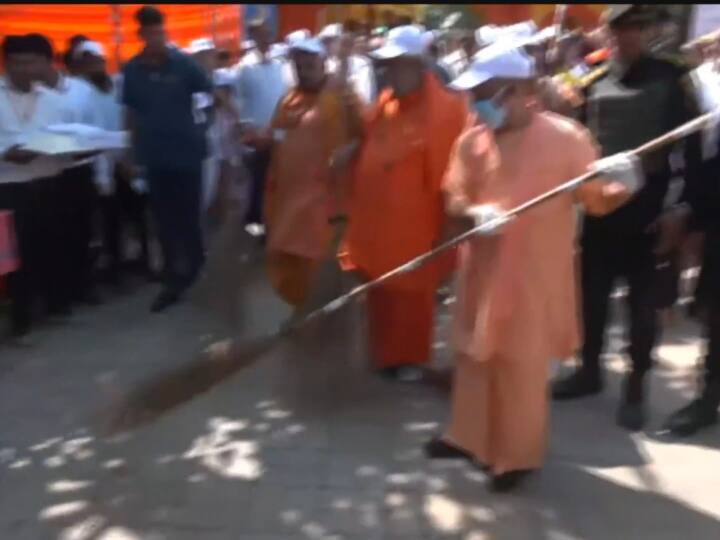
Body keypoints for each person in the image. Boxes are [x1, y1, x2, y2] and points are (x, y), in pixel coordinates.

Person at [425, 43, 639, 492]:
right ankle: (467, 436)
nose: (477, 103)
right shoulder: (472, 139)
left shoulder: (566, 139)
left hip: (533, 278)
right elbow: (454, 197)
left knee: (520, 367)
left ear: (518, 90)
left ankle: (516, 457)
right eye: (475, 94)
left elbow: (596, 200)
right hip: (481, 271)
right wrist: (475, 214)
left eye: (485, 92)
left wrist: (623, 181)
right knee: (472, 356)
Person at [551, 5, 704, 432]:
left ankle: (635, 386)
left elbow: (689, 152)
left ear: (647, 31)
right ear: (605, 34)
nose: (625, 38)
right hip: (601, 211)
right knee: (591, 299)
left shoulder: (672, 80)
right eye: (617, 30)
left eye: (635, 29)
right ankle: (588, 371)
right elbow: (575, 144)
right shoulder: (594, 83)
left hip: (651, 213)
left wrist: (681, 210)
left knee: (642, 308)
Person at [338, 26, 468, 381]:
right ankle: (385, 354)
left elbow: (449, 176)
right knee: (381, 289)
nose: (388, 72)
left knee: (410, 294)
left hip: (416, 224)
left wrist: (447, 230)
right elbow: (367, 129)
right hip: (378, 221)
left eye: (395, 65)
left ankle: (409, 358)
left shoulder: (445, 110)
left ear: (416, 63)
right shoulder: (387, 100)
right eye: (387, 65)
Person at [264, 36, 362, 321]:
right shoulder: (289, 100)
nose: (303, 69)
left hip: (328, 199)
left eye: (309, 63)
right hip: (290, 201)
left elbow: (367, 133)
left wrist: (351, 149)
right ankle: (305, 310)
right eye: (298, 64)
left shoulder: (342, 94)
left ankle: (326, 317)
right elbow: (277, 136)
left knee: (323, 259)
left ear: (321, 63)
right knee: (292, 258)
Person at [121, 5, 212, 312]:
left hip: (187, 154)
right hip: (154, 157)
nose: (157, 37)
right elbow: (131, 114)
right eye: (151, 33)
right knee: (163, 221)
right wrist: (131, 155)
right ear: (142, 35)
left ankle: (196, 265)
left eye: (161, 31)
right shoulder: (132, 70)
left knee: (188, 217)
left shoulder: (184, 65)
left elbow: (211, 95)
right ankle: (175, 278)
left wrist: (203, 129)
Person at [26, 33, 102, 310]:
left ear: (49, 61)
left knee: (81, 231)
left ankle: (81, 286)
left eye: (33, 62)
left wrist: (102, 173)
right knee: (52, 235)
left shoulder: (82, 91)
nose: (28, 69)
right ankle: (56, 293)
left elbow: (97, 132)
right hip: (46, 173)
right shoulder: (29, 96)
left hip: (80, 170)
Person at [0, 35, 68, 343]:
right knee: (16, 254)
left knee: (49, 244)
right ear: (6, 63)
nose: (24, 69)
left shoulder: (51, 99)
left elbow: (62, 134)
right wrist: (6, 152)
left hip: (48, 178)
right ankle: (21, 317)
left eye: (30, 62)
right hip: (10, 184)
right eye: (17, 62)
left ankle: (52, 305)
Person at [233, 18, 291, 233]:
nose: (266, 37)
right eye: (261, 33)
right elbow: (239, 100)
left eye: (268, 32)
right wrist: (248, 129)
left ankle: (272, 221)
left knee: (277, 179)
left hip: (278, 132)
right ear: (253, 36)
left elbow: (286, 95)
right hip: (257, 134)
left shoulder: (280, 65)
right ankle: (255, 220)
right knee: (259, 179)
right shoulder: (245, 67)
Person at [320, 24, 377, 106]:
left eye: (332, 41)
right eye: (325, 42)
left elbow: (365, 101)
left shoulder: (360, 64)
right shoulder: (324, 63)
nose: (328, 45)